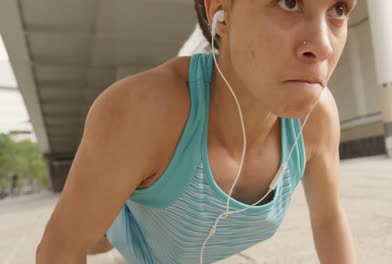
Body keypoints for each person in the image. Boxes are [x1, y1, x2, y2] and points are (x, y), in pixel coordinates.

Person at [36, 0, 357, 263]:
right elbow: (61, 247)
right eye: (289, 3)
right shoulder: (142, 110)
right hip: (130, 226)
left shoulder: (317, 117)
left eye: (338, 9)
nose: (322, 46)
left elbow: (328, 220)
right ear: (221, 11)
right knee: (96, 236)